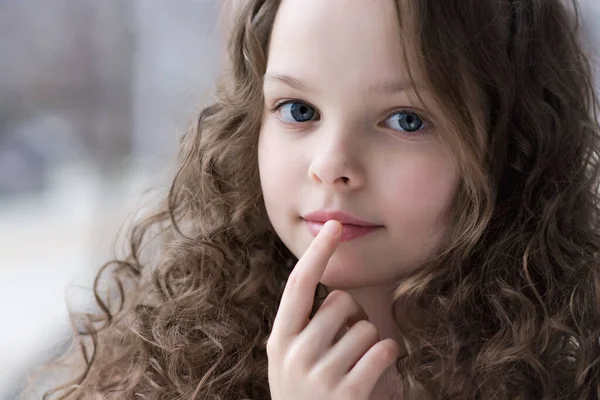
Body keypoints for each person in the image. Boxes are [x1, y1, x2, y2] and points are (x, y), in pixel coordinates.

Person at [27, 0, 600, 398]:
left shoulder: (573, 373)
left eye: (405, 120)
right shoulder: (166, 364)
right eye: (299, 111)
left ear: (514, 144)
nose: (331, 165)